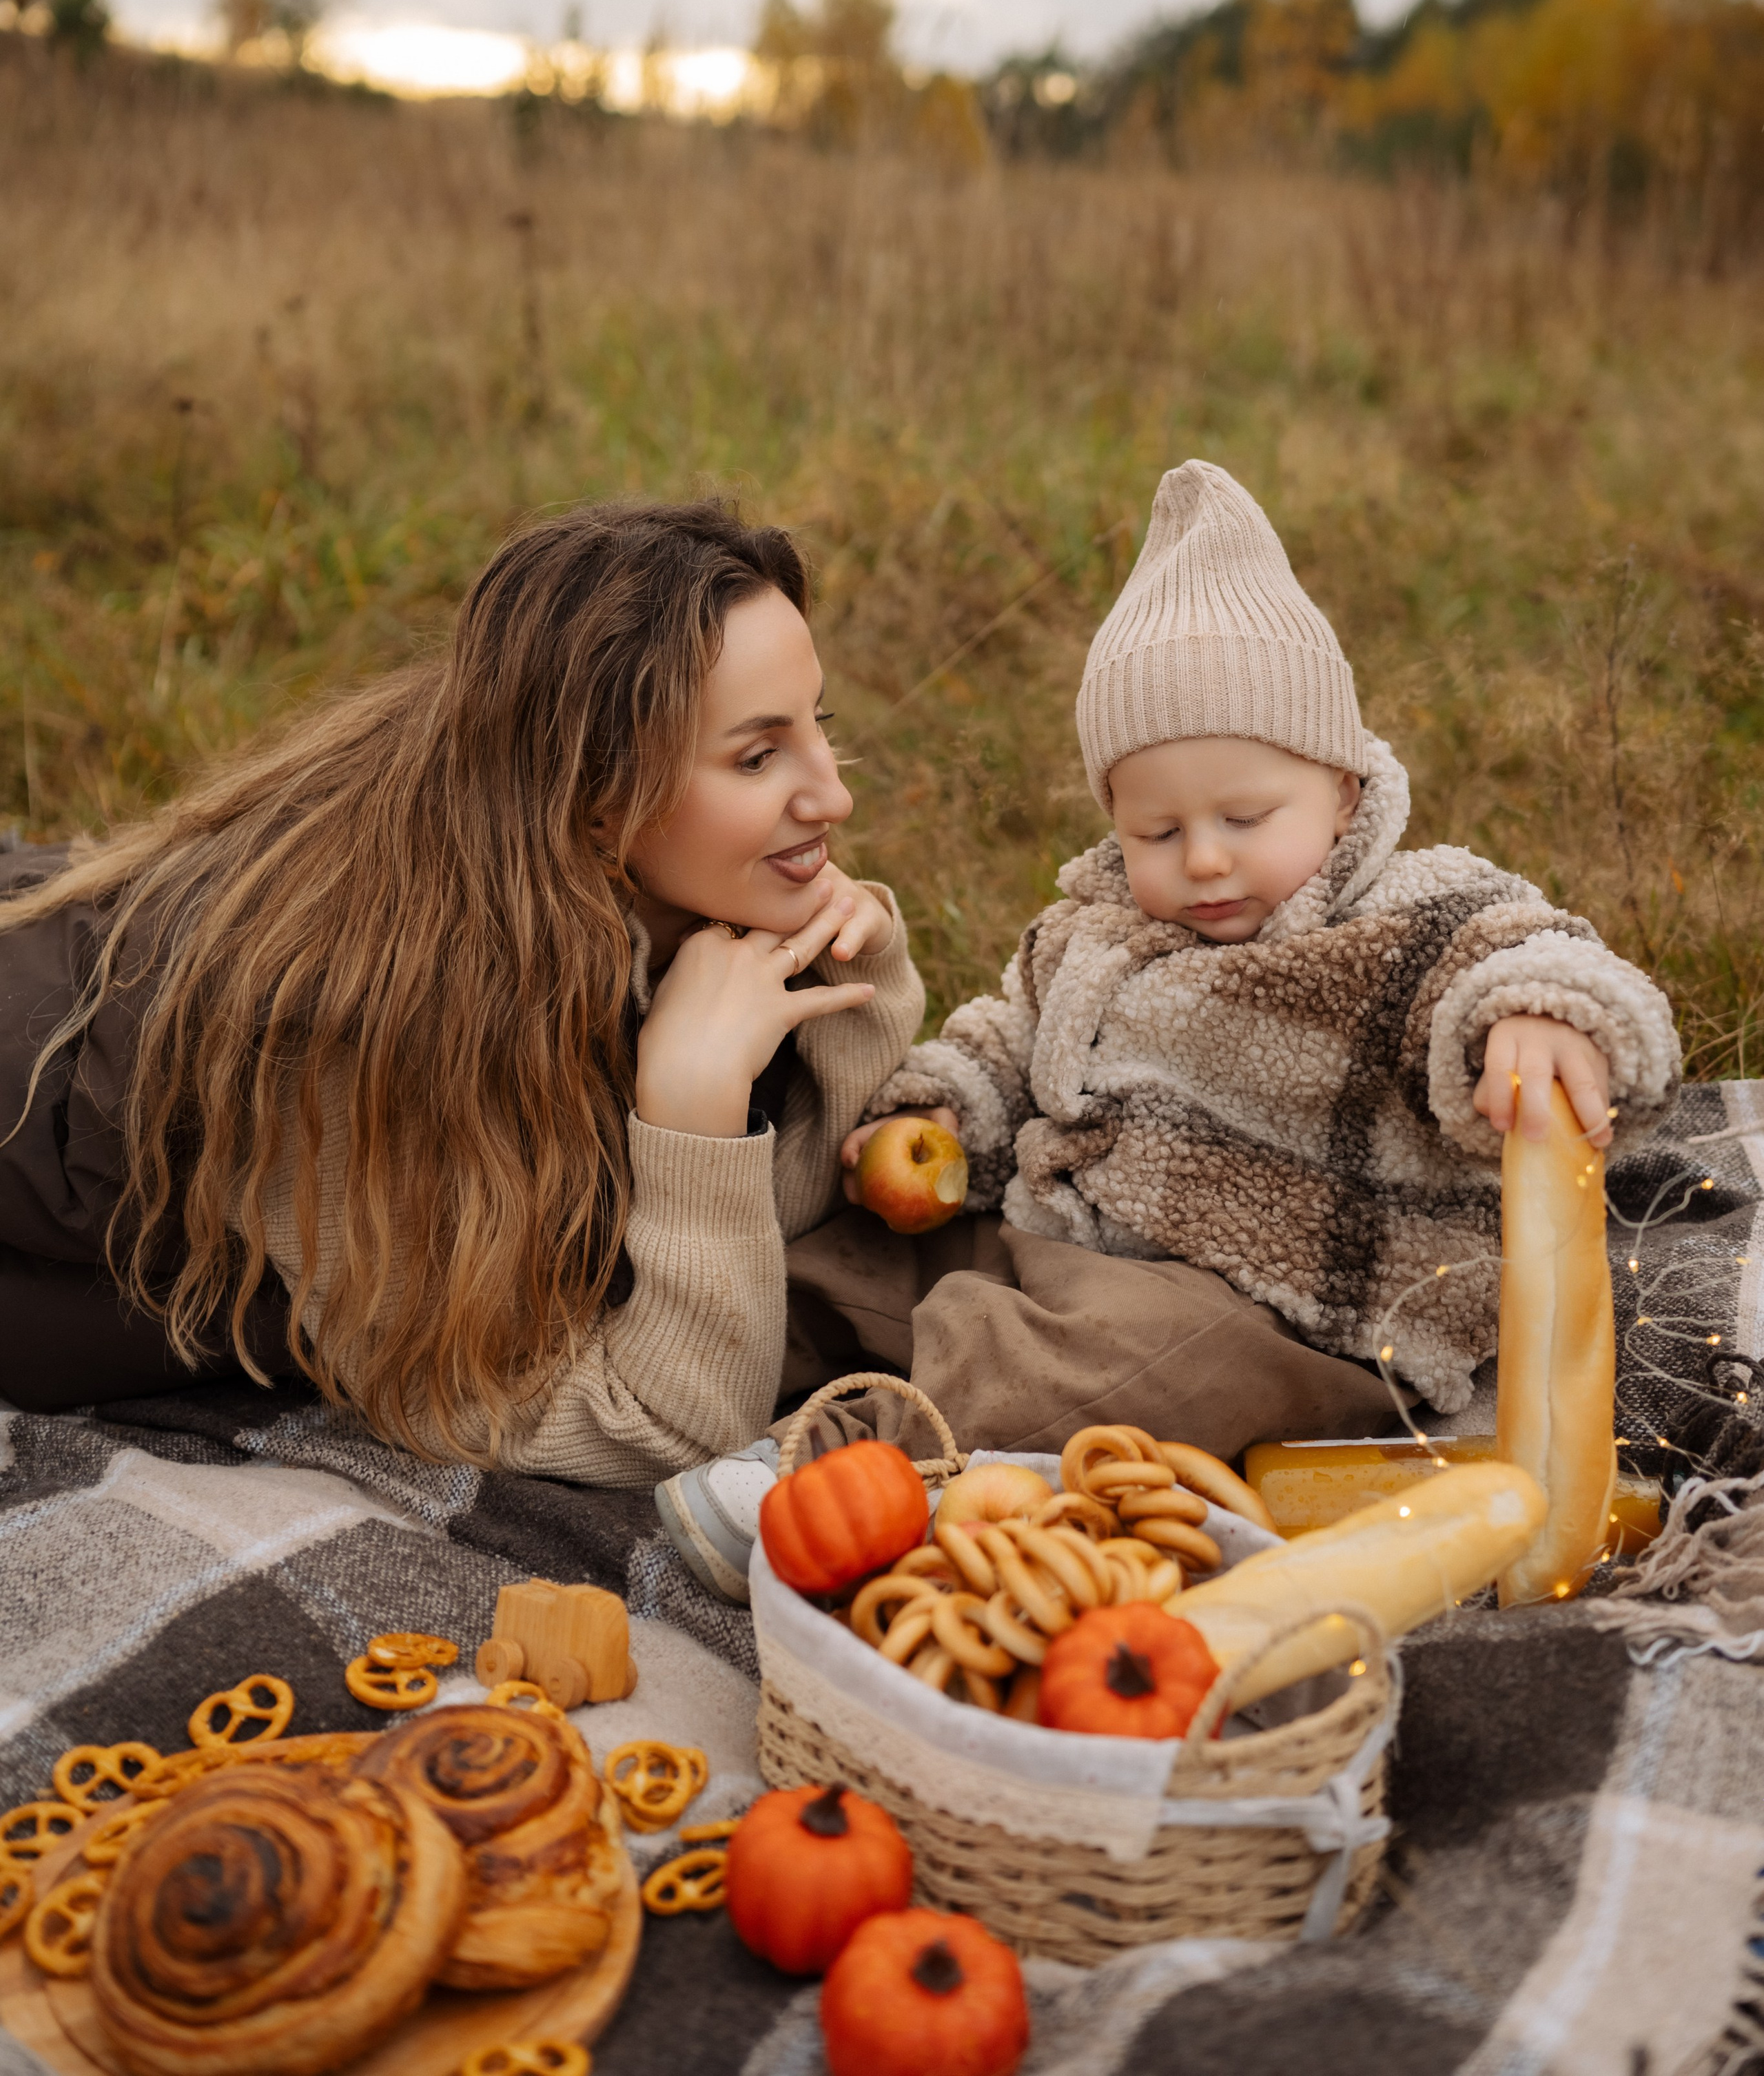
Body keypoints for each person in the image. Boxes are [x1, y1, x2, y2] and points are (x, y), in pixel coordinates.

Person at [656, 462, 1681, 1601]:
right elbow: (1009, 1033)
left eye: (1246, 817)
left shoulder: (1407, 920)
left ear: (1344, 791)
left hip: (1286, 1305)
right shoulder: (1094, 927)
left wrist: (1544, 1019)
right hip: (1066, 1237)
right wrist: (940, 1108)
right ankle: (732, 1392)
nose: (1203, 860)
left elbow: (1538, 953)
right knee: (842, 1266)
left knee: (1097, 1370)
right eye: (1157, 830)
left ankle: (839, 1478)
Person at [0, 500, 925, 1487]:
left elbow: (779, 1218)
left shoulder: (563, 855)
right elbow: (668, 1426)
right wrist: (693, 1112)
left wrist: (851, 961)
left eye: (818, 725)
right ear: (594, 797)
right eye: (757, 757)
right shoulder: (357, 1031)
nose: (835, 796)